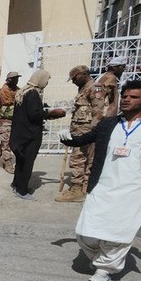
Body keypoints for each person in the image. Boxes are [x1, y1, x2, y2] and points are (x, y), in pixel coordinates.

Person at [58, 80, 141, 281]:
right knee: (86, 231)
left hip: (135, 188)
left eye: (133, 97)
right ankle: (100, 257)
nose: (127, 100)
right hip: (103, 186)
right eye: (125, 96)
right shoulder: (108, 123)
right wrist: (68, 139)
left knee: (118, 233)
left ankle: (104, 269)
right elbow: (86, 138)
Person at [9, 69, 66, 200]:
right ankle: (22, 191)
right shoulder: (33, 94)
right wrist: (51, 113)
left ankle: (16, 184)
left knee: (21, 161)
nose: (46, 83)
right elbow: (34, 115)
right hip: (30, 135)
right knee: (27, 163)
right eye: (46, 80)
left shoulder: (23, 92)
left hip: (21, 134)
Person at [55, 65, 106, 202]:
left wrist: (93, 133)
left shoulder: (95, 88)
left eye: (75, 78)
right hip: (79, 130)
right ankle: (83, 188)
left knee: (78, 160)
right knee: (81, 159)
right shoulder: (83, 89)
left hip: (86, 132)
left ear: (84, 74)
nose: (73, 81)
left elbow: (98, 112)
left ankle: (78, 189)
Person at [0, 71, 20, 173]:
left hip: (15, 121)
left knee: (6, 141)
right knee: (7, 142)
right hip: (3, 120)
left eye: (17, 78)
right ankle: (8, 164)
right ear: (8, 80)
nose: (16, 80)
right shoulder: (0, 92)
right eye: (14, 79)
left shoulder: (19, 92)